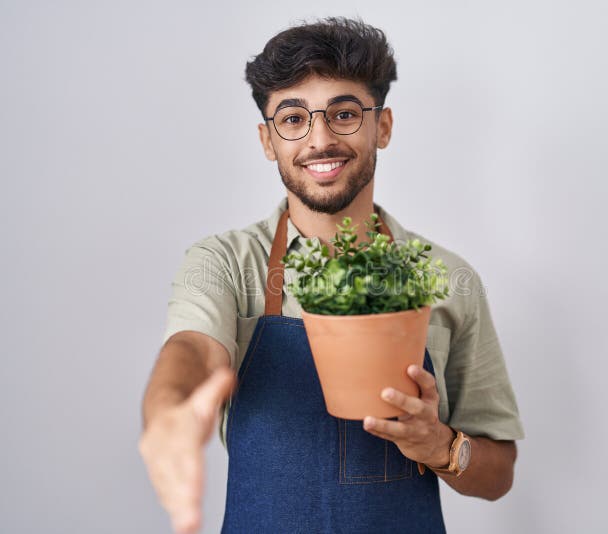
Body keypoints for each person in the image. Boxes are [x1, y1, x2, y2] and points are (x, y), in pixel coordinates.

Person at [138, 17, 524, 534]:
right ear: (267, 140)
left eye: (344, 113)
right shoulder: (226, 263)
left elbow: (498, 474)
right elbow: (194, 349)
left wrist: (440, 446)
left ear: (381, 126)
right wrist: (169, 410)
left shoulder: (446, 279)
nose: (320, 140)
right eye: (293, 119)